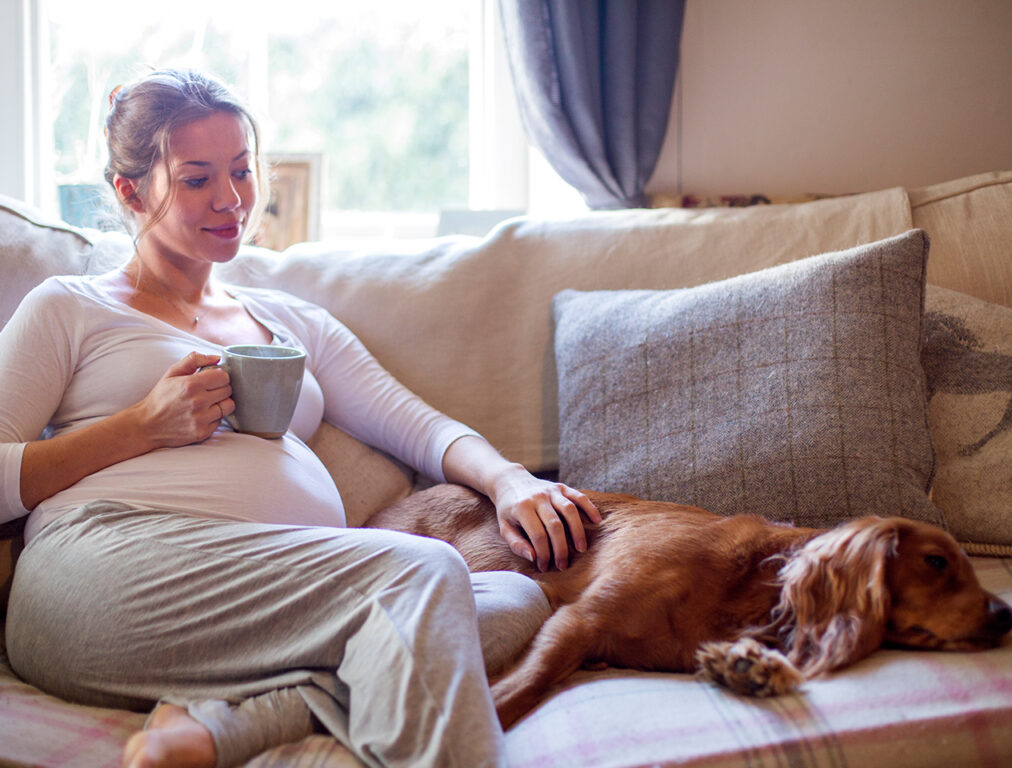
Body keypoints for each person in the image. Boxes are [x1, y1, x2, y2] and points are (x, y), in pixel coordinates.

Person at [0, 68, 599, 768]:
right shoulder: (71, 307)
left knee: (512, 600)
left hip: (273, 599)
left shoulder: (290, 322)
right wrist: (139, 427)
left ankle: (216, 729)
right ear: (130, 192)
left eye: (241, 171)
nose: (231, 200)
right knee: (425, 578)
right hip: (104, 570)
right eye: (196, 179)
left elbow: (413, 424)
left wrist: (509, 481)